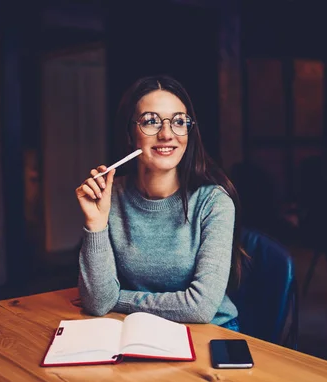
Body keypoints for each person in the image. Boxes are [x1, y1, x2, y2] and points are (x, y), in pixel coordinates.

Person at [75, 75, 245, 331]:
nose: (167, 134)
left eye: (178, 122)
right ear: (130, 134)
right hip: (137, 330)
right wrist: (96, 224)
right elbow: (98, 302)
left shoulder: (213, 202)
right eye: (151, 121)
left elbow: (200, 307)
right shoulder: (109, 195)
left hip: (210, 332)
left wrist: (117, 299)